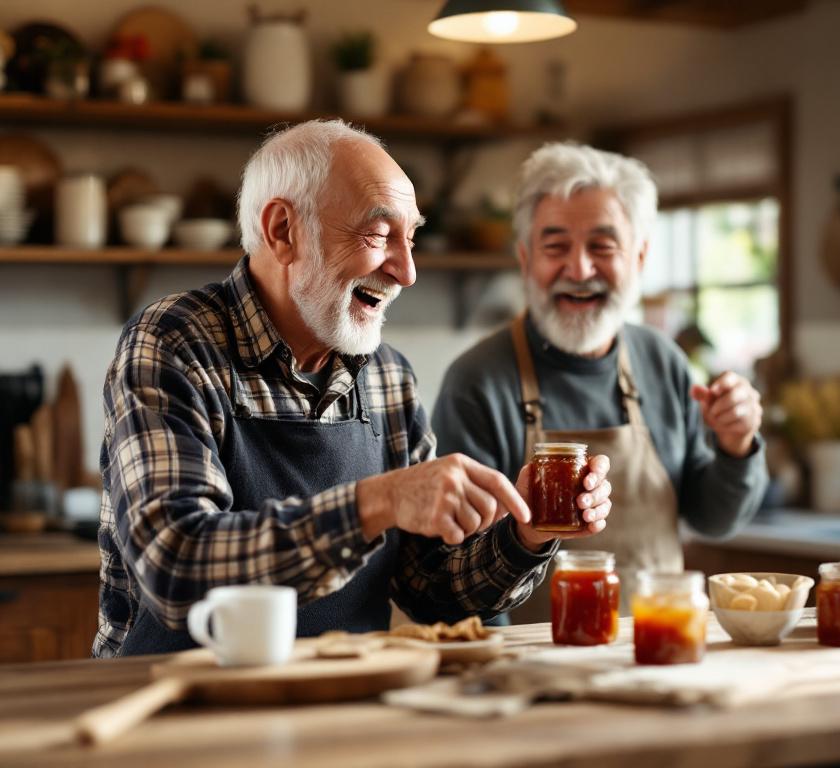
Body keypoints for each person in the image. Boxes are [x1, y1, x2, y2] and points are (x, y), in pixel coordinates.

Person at [93, 122, 612, 657]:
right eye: (379, 235)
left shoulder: (387, 374)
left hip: (339, 697)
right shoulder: (175, 343)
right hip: (174, 707)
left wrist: (525, 531)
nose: (407, 272)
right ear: (282, 230)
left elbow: (431, 591)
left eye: (410, 239)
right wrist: (376, 503)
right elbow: (175, 567)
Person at [431, 142, 767, 621]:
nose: (580, 269)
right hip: (534, 669)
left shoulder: (662, 361)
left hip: (659, 645)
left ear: (640, 258)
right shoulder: (478, 382)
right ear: (526, 260)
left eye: (603, 246)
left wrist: (736, 446)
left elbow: (714, 520)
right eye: (555, 247)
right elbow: (462, 576)